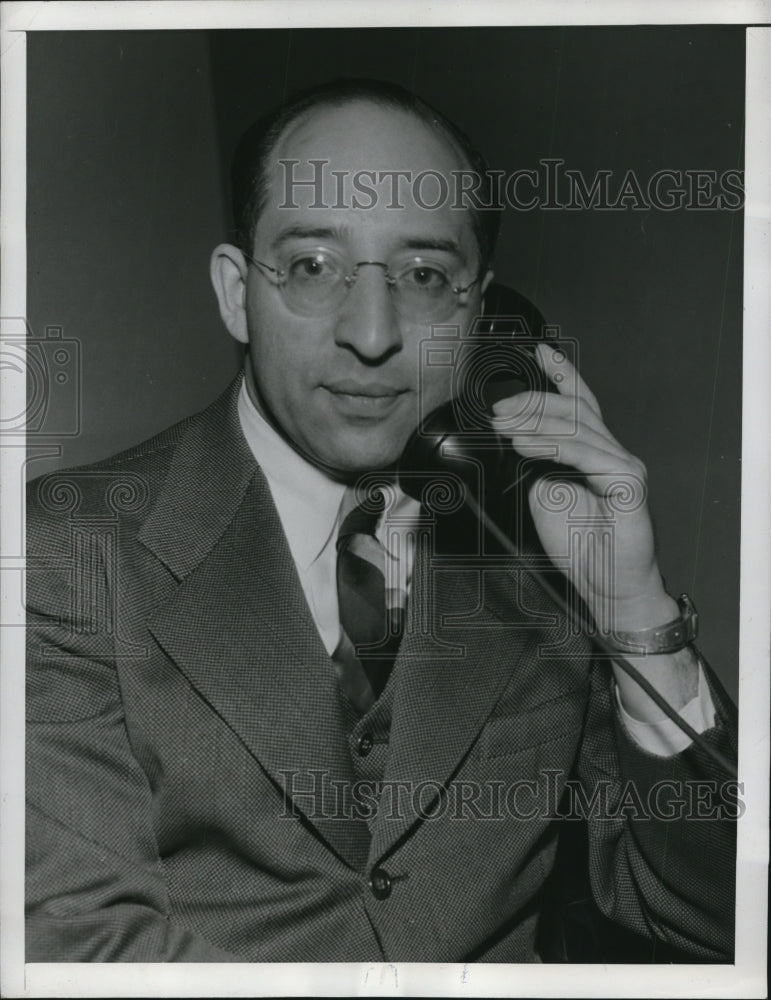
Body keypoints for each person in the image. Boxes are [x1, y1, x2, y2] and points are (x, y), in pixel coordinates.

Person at [25, 77, 737, 963]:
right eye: (315, 266)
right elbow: (81, 946)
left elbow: (713, 923)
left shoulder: (538, 554)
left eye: (425, 275)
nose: (370, 332)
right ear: (235, 292)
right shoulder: (61, 553)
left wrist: (635, 615)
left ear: (479, 315)